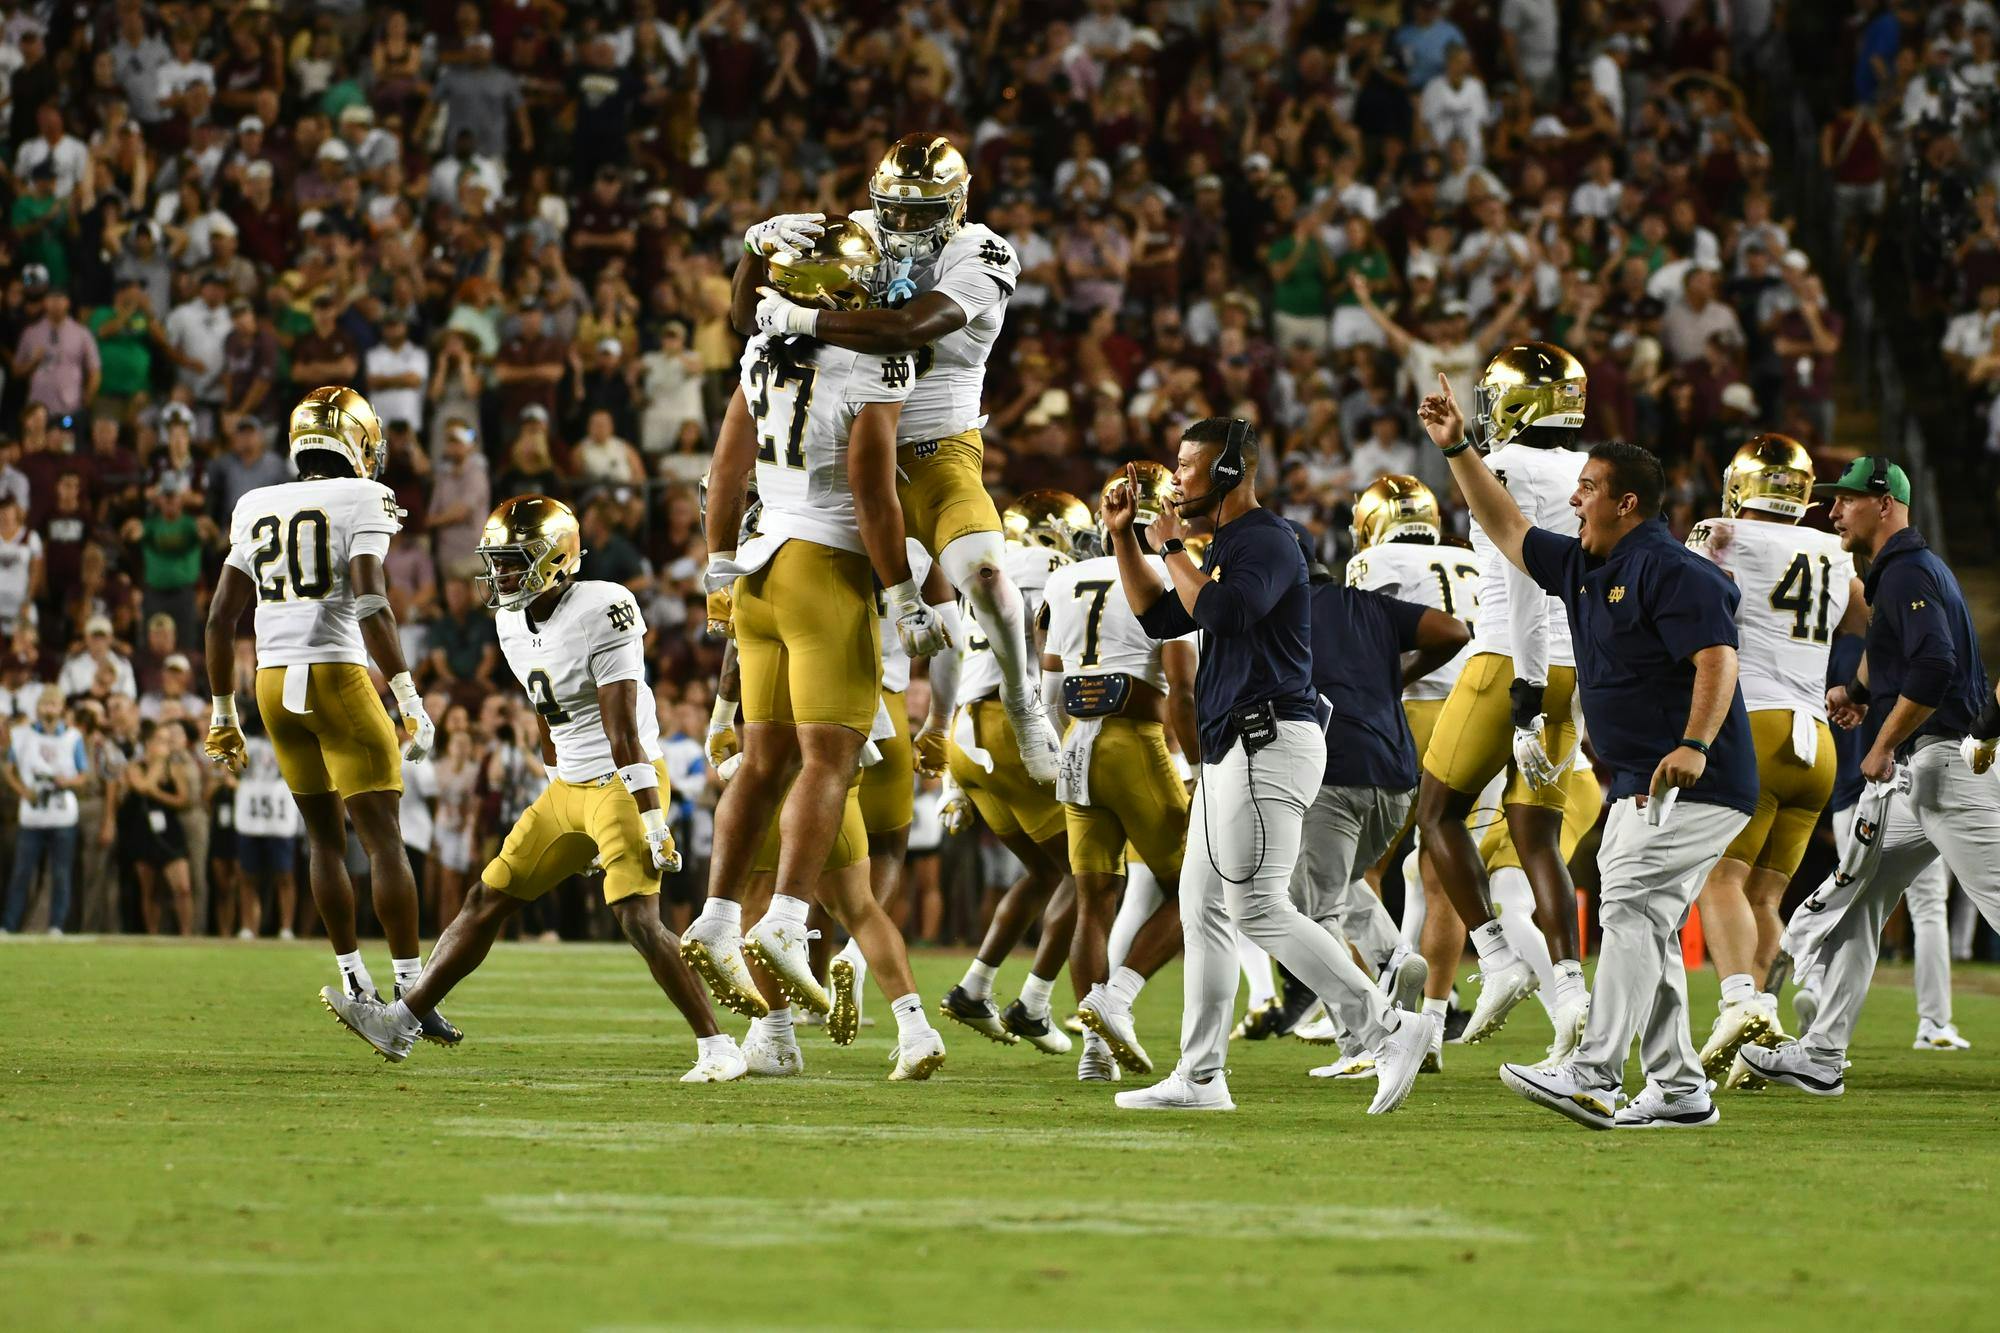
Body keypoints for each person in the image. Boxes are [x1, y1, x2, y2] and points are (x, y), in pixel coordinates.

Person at [1421, 378, 1757, 1130]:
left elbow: (1717, 658)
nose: (1575, 501)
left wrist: (1696, 743)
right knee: (1651, 924)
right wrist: (1456, 448)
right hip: (1649, 776)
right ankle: (1676, 1086)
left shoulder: (1673, 568)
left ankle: (1596, 1071)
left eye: (1589, 489)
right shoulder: (1586, 565)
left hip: (1697, 778)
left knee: (1631, 903)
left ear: (1627, 503)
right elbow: (1506, 527)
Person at [321, 496, 745, 1083]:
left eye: (516, 562)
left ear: (555, 560)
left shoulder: (606, 606)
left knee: (637, 919)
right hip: (567, 785)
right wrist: (556, 802)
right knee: (486, 897)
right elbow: (548, 721)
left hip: (625, 781)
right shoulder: (508, 620)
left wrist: (650, 821)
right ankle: (401, 1022)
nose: (502, 575)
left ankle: (718, 1045)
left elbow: (623, 732)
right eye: (498, 562)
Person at [1105, 418, 1436, 1114]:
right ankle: (1200, 1076)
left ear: (1229, 470)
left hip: (1266, 741)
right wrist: (1125, 539)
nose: (1177, 477)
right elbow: (1160, 617)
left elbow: (1222, 612)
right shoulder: (1224, 544)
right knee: (1203, 910)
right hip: (1233, 746)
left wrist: (1169, 546)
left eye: (1188, 465)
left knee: (1257, 906)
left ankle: (1388, 1026)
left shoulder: (1265, 538)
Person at [689, 221, 951, 1081]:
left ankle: (722, 913)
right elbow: (876, 492)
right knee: (827, 761)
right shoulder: (874, 362)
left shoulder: (762, 350)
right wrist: (904, 593)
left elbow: (725, 470)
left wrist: (720, 563)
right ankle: (787, 917)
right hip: (825, 567)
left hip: (759, 575)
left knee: (761, 761)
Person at [748, 135, 1062, 785]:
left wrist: (801, 321)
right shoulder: (856, 230)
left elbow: (907, 328)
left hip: (935, 450)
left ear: (958, 203)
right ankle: (752, 723)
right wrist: (754, 249)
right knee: (789, 591)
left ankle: (1022, 696)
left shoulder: (983, 252)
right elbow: (743, 317)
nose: (902, 225)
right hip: (838, 448)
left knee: (980, 574)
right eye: (892, 208)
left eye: (921, 213)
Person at [1743, 460, 2000, 1097]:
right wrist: (1857, 691)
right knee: (1857, 904)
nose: (1833, 513)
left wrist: (1881, 742)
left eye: (1847, 501)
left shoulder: (1907, 570)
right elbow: (1902, 656)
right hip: (1928, 776)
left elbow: (1935, 666)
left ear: (1884, 504)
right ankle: (1821, 1054)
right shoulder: (1904, 570)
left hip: (1944, 767)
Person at [202, 386, 451, 1040]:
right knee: (382, 837)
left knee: (322, 838)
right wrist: (406, 696)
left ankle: (351, 976)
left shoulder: (254, 501)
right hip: (335, 673)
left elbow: (221, 615)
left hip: (268, 679)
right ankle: (409, 993)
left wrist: (222, 710)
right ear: (358, 441)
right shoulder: (363, 497)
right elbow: (371, 601)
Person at [1414, 344, 1592, 1055]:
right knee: (1537, 836)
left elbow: (1522, 574)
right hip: (1576, 668)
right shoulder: (1588, 470)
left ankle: (1497, 956)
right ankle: (1572, 988)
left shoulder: (1510, 465)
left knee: (1437, 814)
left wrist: (1521, 683)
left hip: (1506, 659)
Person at [1681, 436, 1869, 1086]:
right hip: (1816, 739)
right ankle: (1755, 1035)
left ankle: (1741, 1001)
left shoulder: (1722, 531)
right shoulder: (1828, 547)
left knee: (1721, 880)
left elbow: (1681, 600)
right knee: (1764, 895)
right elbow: (1860, 618)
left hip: (1752, 724)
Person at [1289, 537, 1473, 1079]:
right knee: (1346, 881)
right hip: (1395, 774)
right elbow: (1452, 630)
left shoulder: (1279, 611)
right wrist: (1399, 677)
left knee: (1313, 910)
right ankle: (1395, 958)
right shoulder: (1365, 604)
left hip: (1331, 767)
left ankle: (1360, 1042)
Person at [1041, 471, 1199, 1082]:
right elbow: (1181, 692)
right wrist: (1196, 765)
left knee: (1092, 904)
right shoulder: (1169, 574)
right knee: (1199, 887)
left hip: (1078, 744)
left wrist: (1064, 749)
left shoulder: (1064, 578)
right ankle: (1119, 998)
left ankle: (1094, 1050)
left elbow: (1050, 687)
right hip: (1135, 742)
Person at [1340, 476, 1483, 1056]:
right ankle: (1432, 1027)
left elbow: (1365, 643)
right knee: (1441, 877)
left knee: (1356, 873)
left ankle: (1373, 1029)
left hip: (1407, 718)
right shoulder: (1468, 560)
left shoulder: (1374, 560)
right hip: (1475, 720)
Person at [934, 491, 1082, 1052]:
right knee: (1093, 875)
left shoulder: (983, 565)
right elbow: (1051, 657)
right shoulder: (1052, 569)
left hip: (966, 740)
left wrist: (952, 780)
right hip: (1013, 728)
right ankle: (1036, 1005)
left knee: (1046, 874)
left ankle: (975, 989)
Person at [3, 691, 86, 935]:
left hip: (62, 813)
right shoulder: (21, 735)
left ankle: (56, 925)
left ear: (61, 708)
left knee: (61, 873)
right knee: (21, 872)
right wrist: (22, 790)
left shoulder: (73, 737)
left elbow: (83, 775)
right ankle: (9, 924)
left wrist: (67, 782)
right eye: (45, 704)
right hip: (32, 813)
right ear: (38, 707)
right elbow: (8, 769)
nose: (49, 709)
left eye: (54, 704)